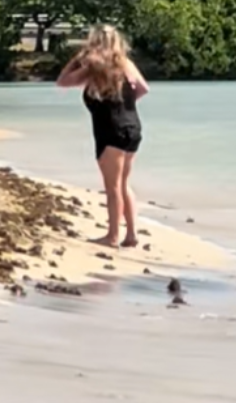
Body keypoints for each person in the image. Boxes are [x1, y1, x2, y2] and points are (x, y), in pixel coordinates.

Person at [56, 24, 150, 249]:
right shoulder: (127, 65)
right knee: (123, 183)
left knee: (113, 187)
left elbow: (62, 82)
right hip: (132, 127)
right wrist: (123, 102)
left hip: (110, 130)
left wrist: (77, 58)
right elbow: (144, 89)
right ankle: (131, 234)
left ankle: (113, 236)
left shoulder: (93, 67)